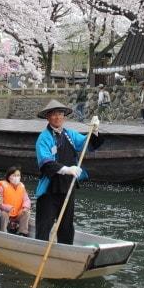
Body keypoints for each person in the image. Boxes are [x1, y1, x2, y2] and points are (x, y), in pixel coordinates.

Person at [35, 100, 102, 244]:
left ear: (64, 117)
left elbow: (86, 144)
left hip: (67, 187)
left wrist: (95, 131)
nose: (57, 117)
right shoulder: (43, 138)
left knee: (66, 226)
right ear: (48, 117)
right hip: (49, 189)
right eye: (53, 115)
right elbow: (45, 162)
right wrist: (67, 169)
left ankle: (66, 249)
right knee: (44, 225)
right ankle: (39, 251)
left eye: (60, 114)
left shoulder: (70, 135)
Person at [0, 166, 31, 236]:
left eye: (18, 175)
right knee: (3, 214)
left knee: (26, 212)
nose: (16, 177)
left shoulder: (21, 187)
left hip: (17, 214)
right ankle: (3, 232)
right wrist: (8, 208)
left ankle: (22, 232)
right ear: (9, 177)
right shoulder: (2, 187)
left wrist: (25, 208)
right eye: (14, 175)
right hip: (6, 213)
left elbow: (27, 200)